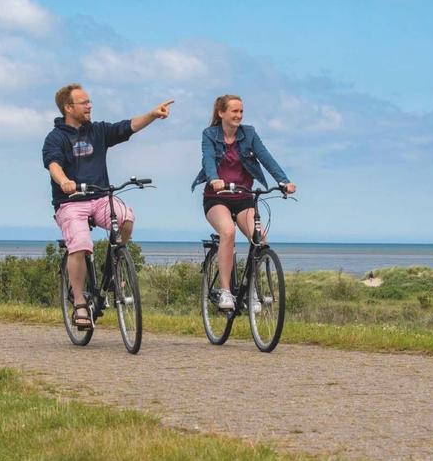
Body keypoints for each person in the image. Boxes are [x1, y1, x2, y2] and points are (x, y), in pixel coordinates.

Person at [43, 83, 173, 329]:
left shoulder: (98, 131)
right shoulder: (55, 138)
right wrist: (64, 182)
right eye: (84, 102)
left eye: (89, 101)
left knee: (126, 219)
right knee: (81, 244)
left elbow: (128, 126)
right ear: (68, 108)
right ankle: (80, 303)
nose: (89, 106)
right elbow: (53, 165)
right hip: (71, 202)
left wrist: (153, 115)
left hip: (100, 197)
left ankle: (112, 270)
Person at [191, 94, 296, 311]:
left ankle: (252, 290)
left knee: (260, 238)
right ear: (221, 113)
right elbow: (208, 159)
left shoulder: (249, 134)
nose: (239, 115)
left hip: (243, 196)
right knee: (228, 232)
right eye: (234, 111)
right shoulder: (209, 134)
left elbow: (266, 158)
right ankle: (225, 291)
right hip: (217, 197)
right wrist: (214, 179)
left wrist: (283, 181)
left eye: (241, 111)